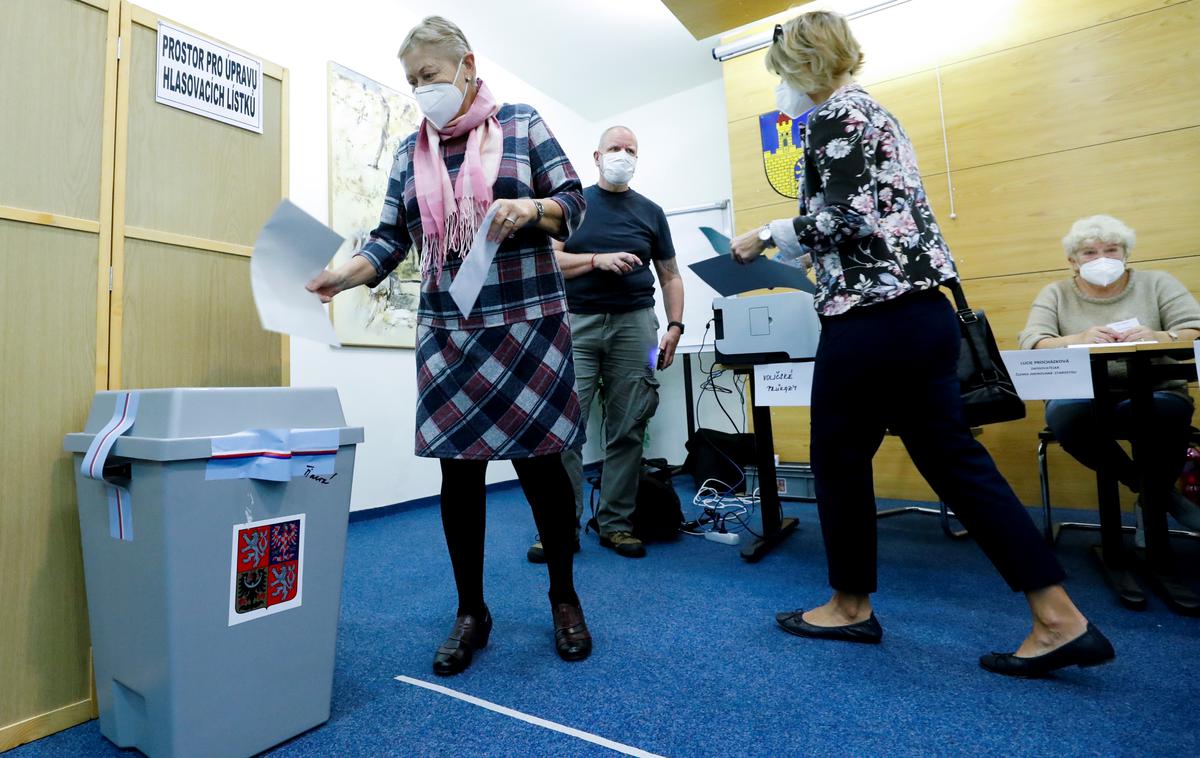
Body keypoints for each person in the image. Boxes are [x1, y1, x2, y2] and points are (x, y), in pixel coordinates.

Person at [731, 10, 1114, 677]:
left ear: (802, 64)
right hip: (920, 316)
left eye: (780, 74)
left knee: (839, 457)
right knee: (956, 462)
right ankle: (1058, 616)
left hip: (873, 323)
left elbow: (847, 216)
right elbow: (879, 223)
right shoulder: (881, 116)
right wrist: (804, 256)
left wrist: (767, 235)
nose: (780, 91)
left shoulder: (833, 118)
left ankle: (850, 606)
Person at [307, 16, 591, 676]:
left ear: (466, 64)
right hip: (450, 332)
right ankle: (472, 611)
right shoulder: (411, 153)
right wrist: (339, 276)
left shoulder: (521, 124)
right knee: (458, 477)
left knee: (542, 469)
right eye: (411, 82)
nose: (421, 90)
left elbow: (574, 203)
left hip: (528, 326)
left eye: (429, 76)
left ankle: (564, 598)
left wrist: (532, 211)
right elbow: (387, 241)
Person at [526, 126, 684, 561]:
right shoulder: (574, 206)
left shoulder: (651, 213)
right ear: (597, 156)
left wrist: (674, 327)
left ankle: (616, 524)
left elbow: (670, 274)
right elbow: (550, 262)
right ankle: (562, 528)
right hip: (575, 325)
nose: (622, 155)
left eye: (630, 149)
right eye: (614, 148)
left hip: (638, 326)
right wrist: (597, 259)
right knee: (564, 429)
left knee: (630, 425)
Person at [1019, 214, 1200, 540]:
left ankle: (1153, 500)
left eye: (1111, 250)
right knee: (1065, 414)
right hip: (1080, 394)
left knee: (1163, 413)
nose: (1102, 259)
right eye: (1089, 252)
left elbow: (1195, 329)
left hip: (1157, 387)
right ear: (1073, 261)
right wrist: (1078, 339)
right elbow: (1033, 341)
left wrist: (1161, 337)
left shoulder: (1157, 282)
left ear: (1126, 253)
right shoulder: (1056, 293)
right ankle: (1155, 494)